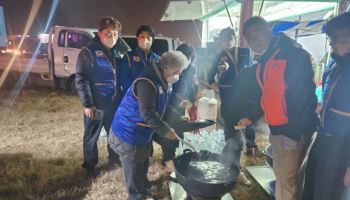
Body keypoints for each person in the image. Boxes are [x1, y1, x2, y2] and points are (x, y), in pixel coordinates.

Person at [238, 16, 318, 200]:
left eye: (256, 35)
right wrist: (251, 116)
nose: (253, 42)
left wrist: (294, 134)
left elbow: (303, 98)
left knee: (289, 182)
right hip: (277, 130)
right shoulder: (265, 60)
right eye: (249, 38)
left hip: (293, 132)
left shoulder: (293, 55)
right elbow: (267, 95)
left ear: (268, 31)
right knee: (281, 179)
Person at [108, 51, 188, 200]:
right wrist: (166, 130)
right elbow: (147, 113)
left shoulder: (163, 81)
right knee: (134, 167)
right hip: (128, 133)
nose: (178, 75)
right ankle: (137, 195)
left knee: (142, 160)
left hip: (142, 132)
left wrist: (180, 120)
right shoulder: (147, 82)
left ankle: (143, 186)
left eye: (180, 72)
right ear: (165, 67)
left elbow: (165, 106)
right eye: (176, 71)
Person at [302, 12, 350, 200]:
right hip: (323, 138)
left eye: (340, 36)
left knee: (327, 194)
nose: (333, 43)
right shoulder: (334, 65)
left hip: (341, 147)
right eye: (331, 38)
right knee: (311, 185)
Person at [75, 16, 123, 177]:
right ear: (100, 33)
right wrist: (87, 104)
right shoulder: (88, 52)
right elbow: (81, 79)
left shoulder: (117, 53)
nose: (112, 37)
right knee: (91, 137)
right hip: (96, 105)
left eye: (115, 33)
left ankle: (114, 159)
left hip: (113, 103)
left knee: (113, 133)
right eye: (108, 33)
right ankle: (90, 167)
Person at [207, 27, 256, 155]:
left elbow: (252, 70)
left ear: (235, 38)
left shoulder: (245, 52)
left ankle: (250, 146)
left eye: (229, 39)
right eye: (224, 40)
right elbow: (211, 73)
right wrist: (213, 83)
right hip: (227, 93)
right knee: (229, 118)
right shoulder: (220, 55)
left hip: (245, 92)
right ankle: (231, 143)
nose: (227, 42)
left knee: (247, 117)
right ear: (221, 42)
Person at [153, 43, 198, 170]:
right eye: (184, 57)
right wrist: (179, 100)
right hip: (169, 103)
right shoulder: (170, 70)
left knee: (179, 130)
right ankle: (167, 158)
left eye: (189, 58)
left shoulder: (190, 70)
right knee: (168, 130)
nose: (187, 61)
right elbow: (168, 91)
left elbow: (191, 88)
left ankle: (175, 155)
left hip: (180, 104)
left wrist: (192, 103)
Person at [119, 25, 160, 92]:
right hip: (132, 97)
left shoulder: (157, 59)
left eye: (148, 37)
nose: (145, 40)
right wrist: (136, 93)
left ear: (152, 40)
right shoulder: (128, 56)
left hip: (151, 97)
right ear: (137, 38)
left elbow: (159, 80)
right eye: (142, 37)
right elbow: (124, 79)